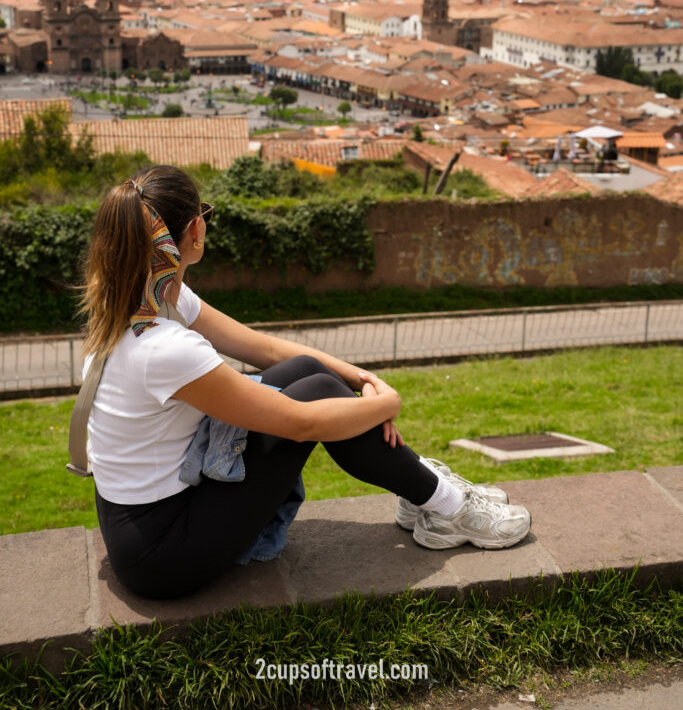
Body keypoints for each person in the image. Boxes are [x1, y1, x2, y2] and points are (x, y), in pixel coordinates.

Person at [80, 165, 531, 600]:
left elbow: (267, 351)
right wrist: (385, 401)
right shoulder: (165, 348)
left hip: (138, 518)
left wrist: (358, 377)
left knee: (306, 372)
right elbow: (301, 424)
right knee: (316, 393)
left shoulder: (147, 296)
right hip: (161, 553)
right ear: (195, 230)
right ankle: (448, 507)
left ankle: (423, 492)